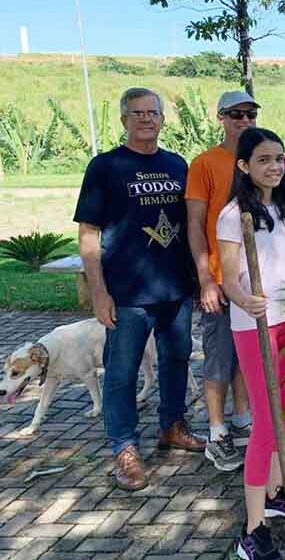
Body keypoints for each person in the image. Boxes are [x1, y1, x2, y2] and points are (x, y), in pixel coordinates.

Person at [74, 87, 205, 491]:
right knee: (121, 372)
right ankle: (124, 447)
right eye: (138, 113)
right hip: (127, 294)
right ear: (123, 120)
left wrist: (199, 280)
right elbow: (88, 232)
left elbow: (192, 225)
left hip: (175, 288)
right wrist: (98, 291)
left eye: (153, 112)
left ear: (163, 119)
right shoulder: (105, 167)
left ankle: (172, 425)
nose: (147, 119)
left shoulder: (176, 164)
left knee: (177, 359)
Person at [217, 127, 285, 560]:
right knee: (265, 422)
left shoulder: (284, 206)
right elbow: (227, 276)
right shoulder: (233, 213)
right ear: (244, 166)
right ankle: (252, 530)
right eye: (264, 159)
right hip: (254, 326)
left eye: (279, 158)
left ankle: (276, 492)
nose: (275, 166)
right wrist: (245, 299)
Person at [186, 91, 256, 472]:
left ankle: (243, 418)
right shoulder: (205, 163)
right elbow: (195, 223)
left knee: (244, 357)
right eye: (235, 114)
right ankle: (216, 431)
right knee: (217, 359)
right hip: (218, 277)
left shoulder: (256, 159)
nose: (244, 120)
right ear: (221, 117)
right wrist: (205, 281)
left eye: (250, 113)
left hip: (249, 282)